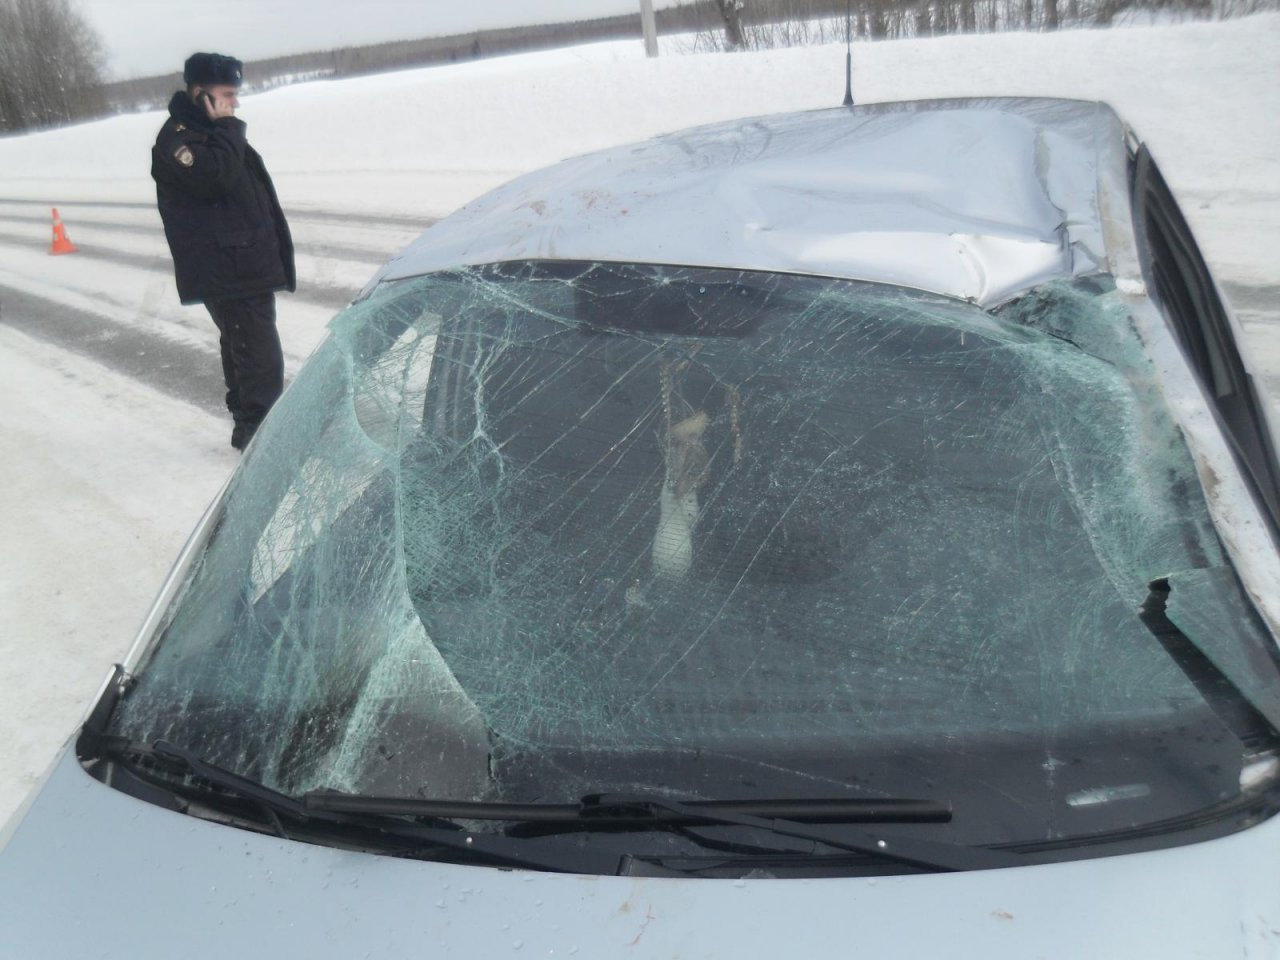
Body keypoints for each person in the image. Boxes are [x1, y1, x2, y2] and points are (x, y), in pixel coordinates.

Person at [151, 52, 295, 451]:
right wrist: (231, 127)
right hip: (228, 270)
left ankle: (250, 428)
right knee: (258, 355)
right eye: (227, 95)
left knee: (245, 348)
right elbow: (216, 179)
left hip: (239, 264)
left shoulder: (209, 134)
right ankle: (261, 439)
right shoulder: (179, 141)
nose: (235, 103)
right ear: (200, 95)